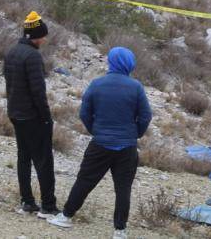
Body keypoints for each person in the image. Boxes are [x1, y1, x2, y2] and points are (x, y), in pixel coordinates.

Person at [48, 47, 152, 238]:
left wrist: (95, 130)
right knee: (123, 188)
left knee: (85, 181)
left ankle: (66, 216)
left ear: (111, 62)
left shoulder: (97, 84)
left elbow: (84, 113)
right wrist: (135, 134)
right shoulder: (136, 87)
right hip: (127, 147)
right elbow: (146, 116)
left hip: (100, 143)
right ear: (129, 64)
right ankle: (120, 231)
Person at [3, 11, 58, 218]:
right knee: (44, 161)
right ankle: (48, 206)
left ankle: (27, 202)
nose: (44, 39)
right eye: (43, 36)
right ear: (36, 36)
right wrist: (46, 118)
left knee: (24, 158)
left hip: (15, 113)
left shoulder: (12, 52)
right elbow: (38, 92)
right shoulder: (33, 56)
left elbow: (9, 84)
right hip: (32, 116)